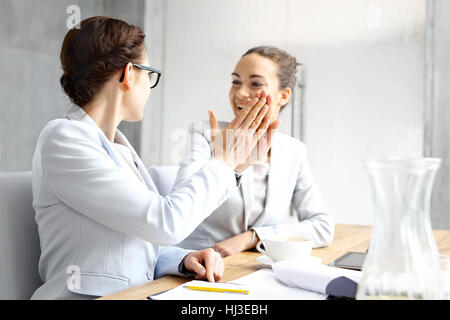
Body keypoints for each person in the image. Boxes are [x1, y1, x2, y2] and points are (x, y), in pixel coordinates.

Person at [31, 17, 277, 299]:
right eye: (148, 74)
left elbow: (134, 241)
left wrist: (182, 260)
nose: (149, 87)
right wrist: (223, 161)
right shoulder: (65, 139)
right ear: (128, 74)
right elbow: (165, 222)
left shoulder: (118, 146)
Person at [174, 46, 334, 257]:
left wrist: (253, 237)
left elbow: (322, 226)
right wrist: (225, 160)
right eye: (235, 82)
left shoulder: (293, 151)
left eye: (256, 84)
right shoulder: (205, 133)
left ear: (284, 96)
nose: (240, 93)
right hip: (197, 264)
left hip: (253, 268)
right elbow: (180, 209)